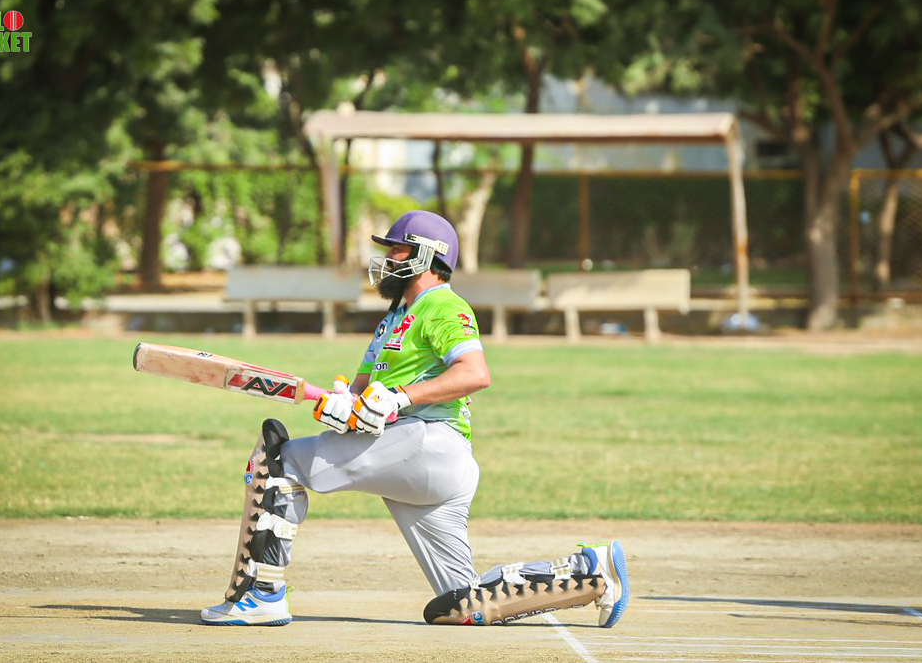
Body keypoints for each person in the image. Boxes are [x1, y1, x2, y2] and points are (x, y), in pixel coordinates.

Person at [200, 210, 628, 627]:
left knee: (279, 462)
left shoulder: (443, 305)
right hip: (414, 458)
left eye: (397, 250)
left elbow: (475, 373)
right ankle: (590, 571)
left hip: (430, 444)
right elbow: (362, 394)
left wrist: (400, 398)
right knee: (463, 602)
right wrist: (343, 406)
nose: (387, 259)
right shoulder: (392, 318)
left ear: (426, 255)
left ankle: (262, 594)